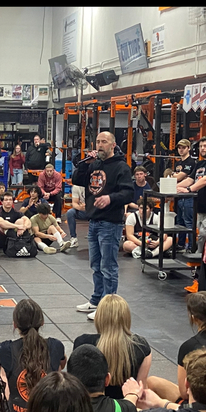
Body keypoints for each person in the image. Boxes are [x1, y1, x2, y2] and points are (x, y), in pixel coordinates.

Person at [73, 132, 134, 318]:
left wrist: (110, 198)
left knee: (108, 266)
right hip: (94, 220)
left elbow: (128, 193)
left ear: (113, 145)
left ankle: (108, 308)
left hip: (110, 223)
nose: (100, 145)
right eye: (98, 141)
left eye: (104, 142)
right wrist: (85, 164)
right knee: (96, 264)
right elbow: (76, 180)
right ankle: (96, 299)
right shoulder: (95, 165)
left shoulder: (121, 167)